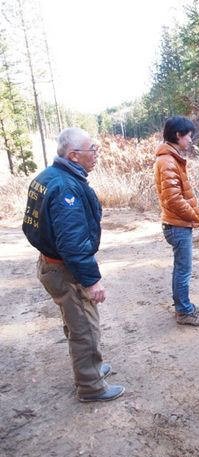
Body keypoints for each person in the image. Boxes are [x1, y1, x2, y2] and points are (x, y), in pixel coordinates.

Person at [22, 128, 124, 403]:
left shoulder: (49, 176)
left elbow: (30, 227)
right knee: (85, 328)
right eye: (92, 149)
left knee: (77, 323)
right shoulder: (65, 186)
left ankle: (88, 368)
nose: (97, 153)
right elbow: (72, 243)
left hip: (51, 264)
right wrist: (92, 281)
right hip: (64, 269)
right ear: (73, 155)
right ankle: (91, 386)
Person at [154, 116, 199, 326]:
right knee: (184, 270)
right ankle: (184, 312)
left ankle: (183, 305)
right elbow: (173, 198)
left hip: (176, 223)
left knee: (181, 268)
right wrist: (195, 215)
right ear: (178, 135)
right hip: (177, 224)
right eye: (188, 136)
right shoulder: (167, 160)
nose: (190, 141)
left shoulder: (171, 158)